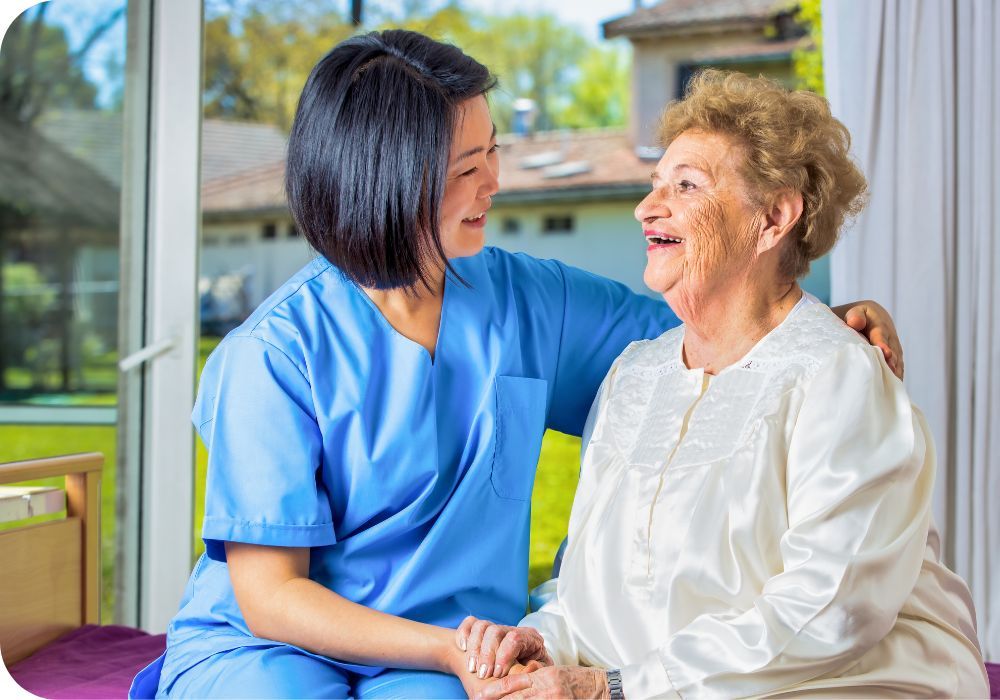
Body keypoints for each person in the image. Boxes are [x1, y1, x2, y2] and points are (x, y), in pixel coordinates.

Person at [130, 34, 904, 699]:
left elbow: (716, 327)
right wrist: (449, 650)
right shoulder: (275, 356)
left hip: (448, 651)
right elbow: (270, 597)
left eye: (492, 150)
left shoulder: (528, 299)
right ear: (393, 182)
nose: (495, 180)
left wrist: (824, 326)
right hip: (275, 647)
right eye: (469, 166)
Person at [459, 70, 989, 699]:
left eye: (686, 186)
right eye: (656, 184)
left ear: (773, 218)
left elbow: (834, 609)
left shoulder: (840, 375)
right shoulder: (636, 372)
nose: (646, 207)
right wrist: (545, 637)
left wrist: (612, 689)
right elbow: (592, 581)